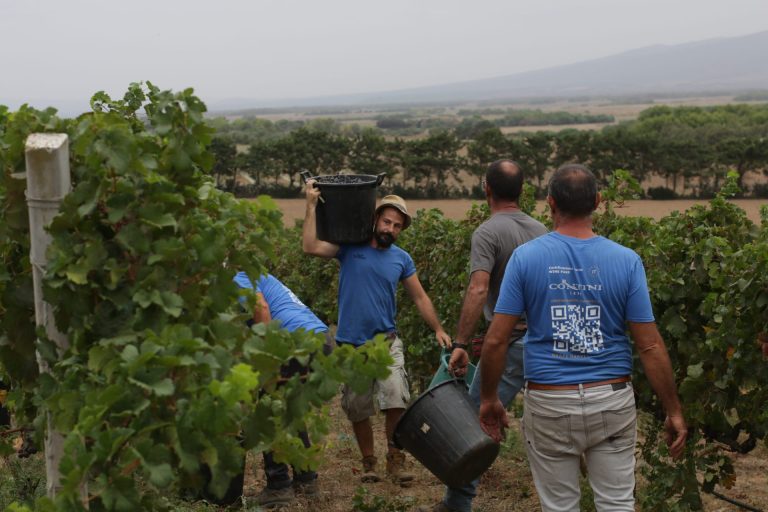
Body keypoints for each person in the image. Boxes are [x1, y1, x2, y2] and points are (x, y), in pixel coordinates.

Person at [479, 164, 687, 511]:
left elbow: (497, 340)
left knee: (559, 506)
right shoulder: (627, 260)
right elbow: (649, 344)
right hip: (611, 400)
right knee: (617, 503)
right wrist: (674, 411)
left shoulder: (525, 258)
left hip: (549, 402)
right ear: (598, 201)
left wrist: (488, 398)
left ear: (549, 204)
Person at [303, 187, 452, 486]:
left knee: (396, 397)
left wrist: (437, 328)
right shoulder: (349, 246)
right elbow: (310, 247)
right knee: (358, 408)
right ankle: (368, 461)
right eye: (387, 222)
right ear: (375, 220)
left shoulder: (402, 259)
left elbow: (420, 298)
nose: (391, 229)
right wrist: (309, 206)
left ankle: (395, 459)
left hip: (386, 342)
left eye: (397, 226)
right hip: (352, 346)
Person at [423, 160, 547, 512]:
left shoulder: (488, 232)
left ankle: (456, 504)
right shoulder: (542, 230)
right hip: (544, 344)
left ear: (486, 189)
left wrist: (461, 343)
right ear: (522, 191)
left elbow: (478, 290)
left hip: (509, 346)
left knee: (474, 423)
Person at [234, 271, 331, 509]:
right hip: (320, 340)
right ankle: (306, 479)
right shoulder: (252, 270)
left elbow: (261, 308)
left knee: (268, 411)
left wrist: (272, 358)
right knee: (289, 410)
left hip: (294, 343)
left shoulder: (234, 274)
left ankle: (278, 486)